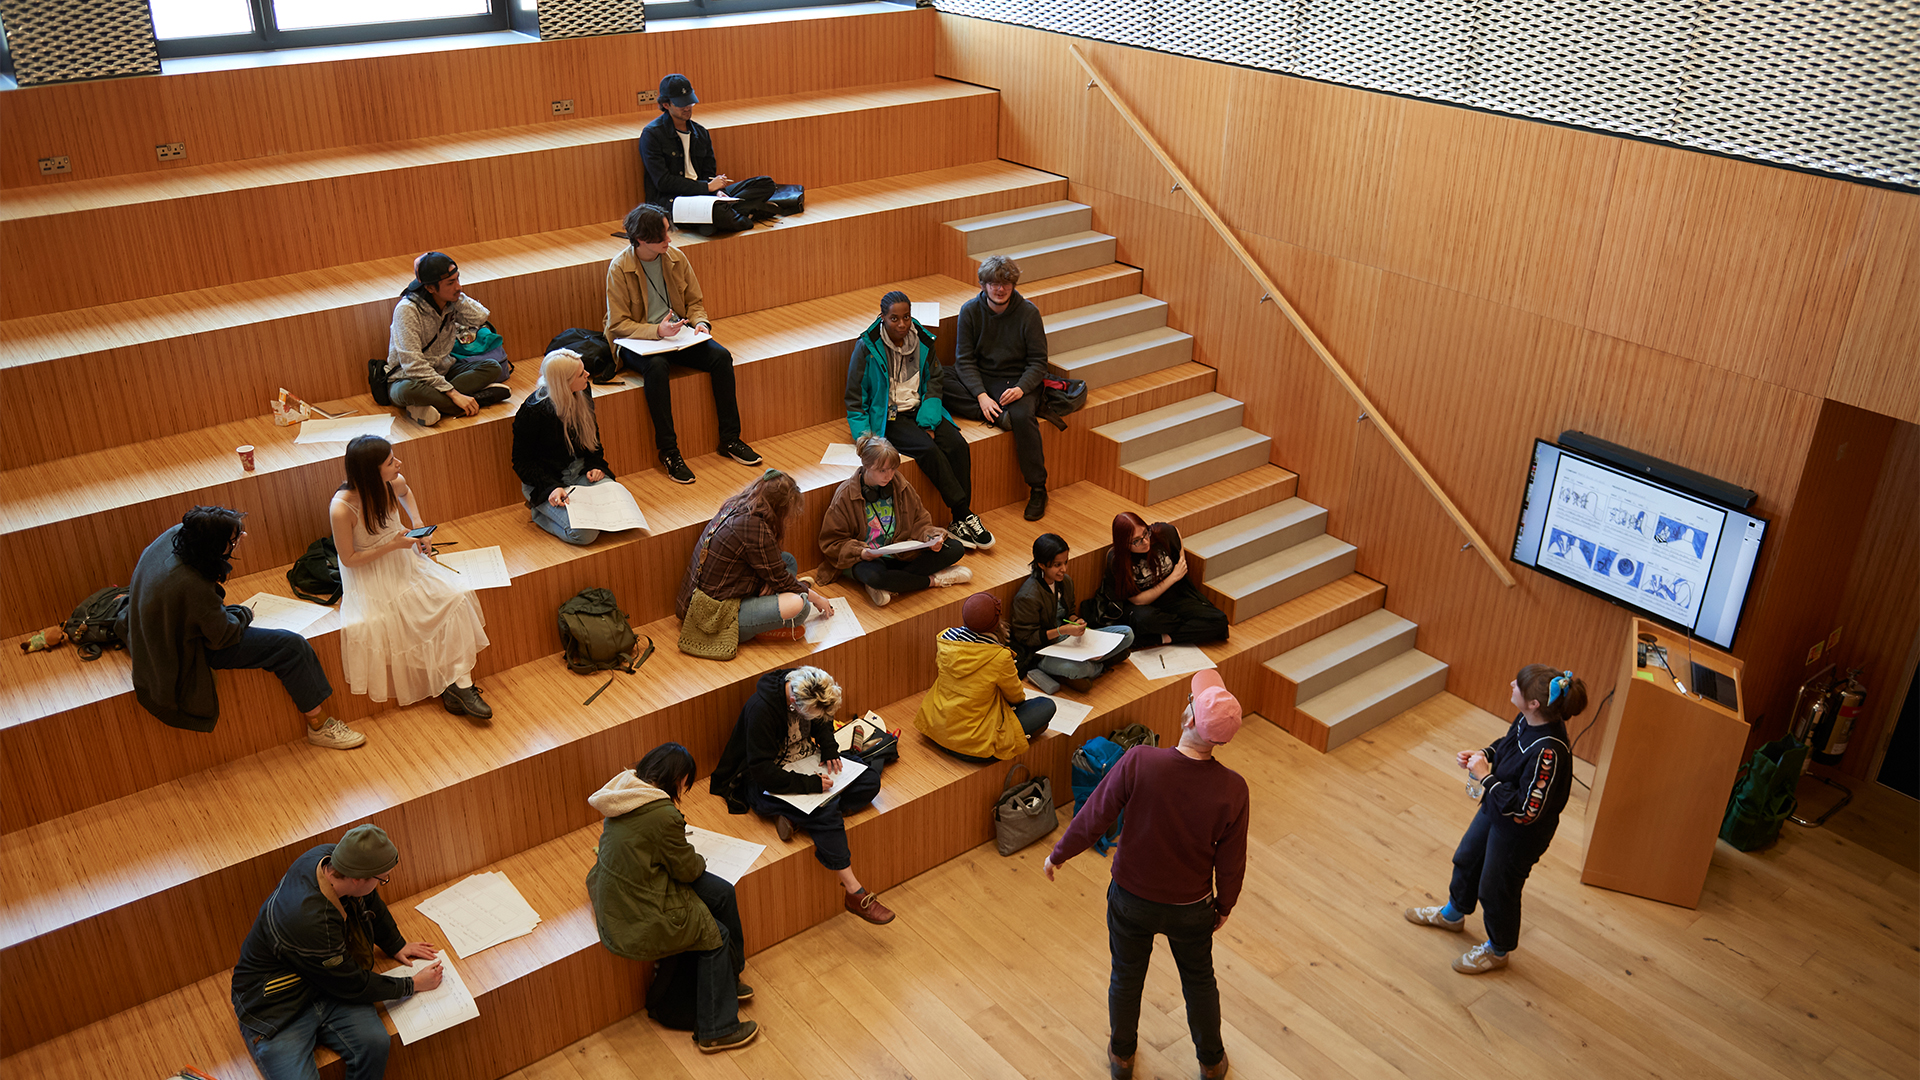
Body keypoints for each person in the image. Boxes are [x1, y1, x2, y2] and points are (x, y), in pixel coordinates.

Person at [1042, 671, 1249, 1080]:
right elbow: (1232, 860)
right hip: (1192, 908)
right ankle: (1210, 1061)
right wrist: (1225, 905)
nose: (1188, 703)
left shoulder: (1141, 760)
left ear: (1190, 720)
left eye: (1191, 701)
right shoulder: (1233, 789)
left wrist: (1060, 853)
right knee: (1200, 982)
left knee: (1126, 976)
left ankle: (1122, 1058)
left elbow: (1096, 814)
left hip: (1131, 900)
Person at [120, 506, 362, 749]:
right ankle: (320, 726)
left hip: (152, 627)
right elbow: (222, 635)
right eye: (234, 538)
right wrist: (244, 614)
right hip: (178, 651)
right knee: (290, 647)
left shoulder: (175, 537)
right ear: (213, 545)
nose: (242, 538)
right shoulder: (190, 585)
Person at [1405, 665, 1587, 975]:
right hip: (1496, 808)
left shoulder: (1549, 754)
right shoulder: (1526, 719)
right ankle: (1453, 915)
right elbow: (1507, 745)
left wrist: (1485, 778)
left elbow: (1526, 810)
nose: (1512, 683)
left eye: (1520, 686)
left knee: (1497, 888)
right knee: (1467, 858)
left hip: (1520, 833)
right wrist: (1485, 754)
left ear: (1534, 704)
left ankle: (1498, 949)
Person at [232, 824, 445, 1080]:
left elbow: (369, 899)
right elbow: (352, 983)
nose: (383, 883)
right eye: (382, 878)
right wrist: (411, 985)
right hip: (279, 1005)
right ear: (357, 878)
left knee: (375, 1043)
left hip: (328, 985)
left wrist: (396, 944)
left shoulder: (329, 857)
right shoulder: (309, 919)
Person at [587, 743, 758, 1053]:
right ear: (677, 778)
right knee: (714, 935)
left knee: (723, 892)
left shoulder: (627, 790)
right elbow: (688, 870)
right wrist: (696, 856)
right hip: (638, 901)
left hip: (626, 886)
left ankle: (730, 979)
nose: (685, 788)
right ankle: (716, 1030)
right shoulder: (662, 814)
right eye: (685, 782)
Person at [709, 667, 895, 925]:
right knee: (825, 810)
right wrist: (811, 786)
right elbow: (762, 771)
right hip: (765, 779)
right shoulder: (761, 709)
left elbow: (823, 722)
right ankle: (854, 892)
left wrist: (829, 749)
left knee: (869, 780)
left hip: (806, 762)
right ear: (794, 704)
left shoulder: (809, 686)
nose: (819, 718)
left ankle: (798, 819)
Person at [330, 436, 492, 721]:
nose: (399, 464)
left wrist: (417, 524)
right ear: (371, 471)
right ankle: (457, 687)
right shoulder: (342, 508)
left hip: (403, 557)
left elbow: (406, 493)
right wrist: (393, 545)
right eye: (391, 462)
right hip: (372, 573)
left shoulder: (391, 483)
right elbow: (349, 560)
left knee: (457, 594)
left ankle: (458, 686)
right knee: (411, 618)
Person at [605, 203, 760, 484]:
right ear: (641, 240)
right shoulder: (619, 268)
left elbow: (694, 302)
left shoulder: (676, 258)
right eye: (662, 237)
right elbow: (618, 324)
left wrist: (701, 324)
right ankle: (669, 451)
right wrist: (656, 331)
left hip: (678, 335)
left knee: (721, 357)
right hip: (640, 342)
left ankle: (730, 439)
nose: (669, 240)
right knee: (657, 368)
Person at [846, 289, 995, 550]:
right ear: (882, 317)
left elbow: (935, 381)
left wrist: (928, 420)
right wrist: (864, 437)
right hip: (890, 417)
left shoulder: (923, 340)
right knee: (928, 450)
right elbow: (855, 398)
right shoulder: (866, 347)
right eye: (894, 318)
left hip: (922, 408)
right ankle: (963, 513)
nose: (902, 324)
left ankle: (960, 521)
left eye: (906, 317)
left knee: (958, 445)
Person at [676, 469, 837, 644]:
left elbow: (772, 567)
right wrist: (818, 599)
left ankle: (778, 602)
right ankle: (762, 628)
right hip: (715, 613)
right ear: (780, 507)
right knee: (801, 607)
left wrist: (772, 580)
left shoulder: (737, 505)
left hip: (718, 592)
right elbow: (782, 578)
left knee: (788, 560)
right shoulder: (754, 527)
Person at [946, 255, 1050, 521]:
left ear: (1013, 285)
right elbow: (965, 361)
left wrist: (1022, 388)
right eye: (993, 283)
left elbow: (1038, 362)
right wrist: (981, 395)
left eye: (1005, 283)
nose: (1000, 289)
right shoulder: (970, 310)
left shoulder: (1028, 312)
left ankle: (1038, 488)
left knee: (1023, 416)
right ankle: (993, 413)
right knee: (939, 377)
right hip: (985, 378)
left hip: (1018, 381)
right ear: (983, 285)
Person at [818, 433, 971, 608]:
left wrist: (931, 538)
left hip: (900, 553)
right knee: (875, 576)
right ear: (866, 466)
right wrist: (861, 552)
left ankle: (890, 584)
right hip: (868, 559)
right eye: (882, 470)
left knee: (955, 548)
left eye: (893, 469)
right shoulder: (846, 495)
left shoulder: (900, 485)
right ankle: (935, 580)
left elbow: (920, 521)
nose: (889, 475)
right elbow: (832, 542)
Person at [915, 592, 1056, 764]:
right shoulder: (999, 656)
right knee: (1046, 705)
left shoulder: (945, 638)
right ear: (997, 622)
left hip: (936, 728)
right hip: (973, 746)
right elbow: (1016, 697)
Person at [384, 251, 509, 428]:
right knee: (405, 391)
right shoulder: (407, 310)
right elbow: (412, 365)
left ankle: (430, 406)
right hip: (408, 378)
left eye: (458, 279)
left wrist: (456, 297)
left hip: (444, 370)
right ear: (430, 288)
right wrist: (453, 393)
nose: (459, 287)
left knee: (492, 367)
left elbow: (480, 316)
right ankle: (474, 400)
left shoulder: (451, 301)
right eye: (451, 283)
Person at [512, 349, 620, 546]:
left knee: (619, 511)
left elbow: (592, 438)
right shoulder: (532, 412)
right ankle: (539, 512)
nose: (587, 374)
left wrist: (595, 467)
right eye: (581, 374)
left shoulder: (583, 390)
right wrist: (552, 488)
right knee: (585, 534)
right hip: (547, 483)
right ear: (564, 382)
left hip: (580, 475)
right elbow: (522, 462)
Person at [1009, 533, 1133, 695]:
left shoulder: (1065, 582)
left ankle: (1090, 667)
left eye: (1065, 562)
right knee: (1081, 668)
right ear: (1041, 564)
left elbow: (1070, 613)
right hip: (1044, 651)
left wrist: (1077, 621)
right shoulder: (1028, 596)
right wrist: (1063, 630)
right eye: (1057, 565)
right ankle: (1098, 666)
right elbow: (1027, 638)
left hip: (1071, 639)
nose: (1064, 569)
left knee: (1127, 634)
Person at [638, 73, 778, 208]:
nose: (687, 108)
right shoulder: (652, 134)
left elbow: (708, 174)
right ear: (666, 105)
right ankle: (739, 211)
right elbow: (663, 182)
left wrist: (717, 192)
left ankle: (731, 210)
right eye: (681, 104)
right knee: (717, 213)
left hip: (704, 195)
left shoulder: (701, 133)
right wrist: (706, 187)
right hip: (675, 200)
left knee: (765, 183)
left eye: (689, 102)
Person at [1107, 513, 1228, 647]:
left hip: (1173, 600)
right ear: (1123, 543)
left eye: (1145, 533)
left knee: (1219, 621)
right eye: (1137, 541)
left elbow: (1175, 531)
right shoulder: (1117, 560)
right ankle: (1189, 626)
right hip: (1145, 607)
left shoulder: (1159, 534)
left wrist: (1181, 557)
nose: (1145, 541)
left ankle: (1163, 638)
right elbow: (1137, 600)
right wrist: (1173, 577)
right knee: (1144, 621)